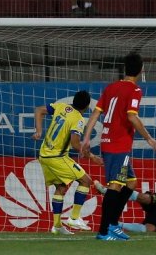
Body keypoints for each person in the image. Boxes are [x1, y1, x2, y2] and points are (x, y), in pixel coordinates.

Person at [81, 52, 156, 241]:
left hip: (110, 142)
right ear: (141, 70)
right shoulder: (135, 91)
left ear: (125, 69)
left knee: (131, 183)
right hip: (118, 145)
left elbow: (95, 114)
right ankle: (103, 231)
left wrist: (86, 138)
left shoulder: (111, 88)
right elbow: (132, 117)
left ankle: (113, 225)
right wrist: (149, 138)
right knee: (115, 186)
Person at [32, 90, 102, 235]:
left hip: (44, 154)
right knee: (86, 181)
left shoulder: (61, 106)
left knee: (61, 188)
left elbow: (39, 110)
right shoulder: (78, 119)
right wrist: (93, 157)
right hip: (57, 157)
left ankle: (57, 226)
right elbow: (75, 144)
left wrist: (39, 131)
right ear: (87, 106)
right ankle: (74, 218)